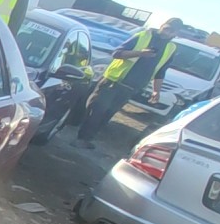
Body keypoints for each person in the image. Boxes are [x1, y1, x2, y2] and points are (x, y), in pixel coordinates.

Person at [74, 18, 183, 149]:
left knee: (108, 113)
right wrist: (140, 53)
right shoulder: (143, 35)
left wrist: (156, 91)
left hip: (131, 87)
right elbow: (117, 53)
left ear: (176, 34)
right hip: (113, 81)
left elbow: (161, 71)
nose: (168, 33)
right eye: (167, 29)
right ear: (162, 26)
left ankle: (87, 138)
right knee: (97, 109)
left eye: (172, 32)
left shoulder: (171, 48)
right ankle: (81, 137)